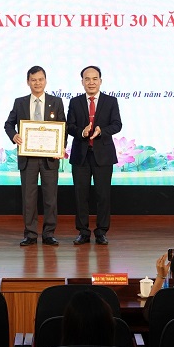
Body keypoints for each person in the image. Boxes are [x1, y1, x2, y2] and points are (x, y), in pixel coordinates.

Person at [4, 66, 66, 246]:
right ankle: (30, 234)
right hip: (28, 158)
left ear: (45, 81)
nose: (37, 83)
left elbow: (63, 126)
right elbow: (8, 124)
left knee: (50, 198)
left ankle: (49, 234)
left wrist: (60, 148)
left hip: (50, 159)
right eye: (33, 80)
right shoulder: (20, 102)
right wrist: (14, 135)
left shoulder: (56, 102)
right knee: (29, 198)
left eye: (40, 79)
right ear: (28, 82)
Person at [66, 65, 122, 245]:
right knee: (80, 195)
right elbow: (69, 126)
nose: (91, 82)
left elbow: (117, 124)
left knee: (103, 195)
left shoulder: (110, 101)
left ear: (100, 81)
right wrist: (81, 132)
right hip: (81, 155)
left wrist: (102, 131)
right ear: (82, 82)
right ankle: (83, 232)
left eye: (94, 79)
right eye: (87, 79)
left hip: (103, 155)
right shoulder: (75, 102)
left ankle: (101, 231)